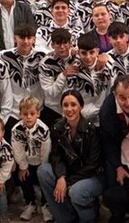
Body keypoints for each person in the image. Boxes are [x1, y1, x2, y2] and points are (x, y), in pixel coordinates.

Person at [37, 90, 104, 223]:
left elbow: (93, 165)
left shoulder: (91, 130)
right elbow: (56, 156)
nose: (69, 109)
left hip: (92, 175)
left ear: (81, 106)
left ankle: (90, 216)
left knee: (76, 192)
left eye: (73, 104)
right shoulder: (57, 127)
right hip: (69, 171)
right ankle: (65, 217)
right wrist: (61, 177)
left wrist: (66, 182)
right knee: (43, 171)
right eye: (65, 105)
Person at [11, 97, 52, 222]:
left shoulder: (44, 130)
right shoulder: (16, 130)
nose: (29, 117)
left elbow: (46, 150)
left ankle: (46, 205)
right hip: (26, 162)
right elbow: (17, 150)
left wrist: (42, 167)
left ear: (38, 114)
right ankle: (30, 203)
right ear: (20, 115)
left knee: (45, 179)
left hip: (41, 162)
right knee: (24, 178)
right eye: (25, 114)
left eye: (32, 114)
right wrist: (23, 166)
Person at [0, 23, 46, 129]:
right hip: (13, 111)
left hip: (37, 110)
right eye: (22, 38)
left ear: (34, 40)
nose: (25, 41)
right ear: (15, 38)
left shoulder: (42, 56)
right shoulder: (4, 56)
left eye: (29, 38)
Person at [67, 33, 116, 122]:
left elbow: (111, 93)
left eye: (91, 52)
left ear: (97, 51)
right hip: (82, 118)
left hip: (105, 116)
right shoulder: (74, 70)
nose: (88, 57)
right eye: (84, 53)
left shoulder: (108, 67)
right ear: (78, 52)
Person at [38, 28, 76, 127]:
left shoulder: (78, 57)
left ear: (70, 43)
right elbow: (50, 93)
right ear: (52, 45)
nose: (62, 47)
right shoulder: (45, 64)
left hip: (75, 109)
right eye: (58, 44)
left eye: (65, 43)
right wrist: (63, 76)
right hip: (53, 110)